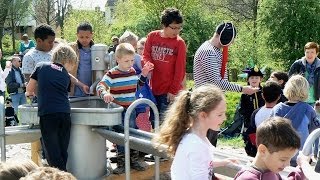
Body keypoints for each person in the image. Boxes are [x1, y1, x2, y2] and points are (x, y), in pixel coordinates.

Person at [193, 22, 259, 146]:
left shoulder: (216, 51)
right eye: (231, 40)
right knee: (205, 144)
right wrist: (242, 89)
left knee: (211, 143)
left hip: (212, 102)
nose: (232, 43)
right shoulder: (208, 52)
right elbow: (217, 82)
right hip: (205, 103)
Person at [153, 84, 238, 179]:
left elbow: (203, 163)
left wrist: (223, 162)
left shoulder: (194, 136)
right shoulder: (197, 145)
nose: (224, 118)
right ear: (203, 115)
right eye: (220, 115)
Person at [25, 45, 89, 171]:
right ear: (68, 62)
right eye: (72, 66)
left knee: (52, 150)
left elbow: (30, 88)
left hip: (48, 114)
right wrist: (81, 85)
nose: (71, 69)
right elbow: (68, 81)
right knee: (62, 149)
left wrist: (29, 94)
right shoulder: (65, 74)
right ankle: (62, 173)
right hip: (65, 114)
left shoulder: (41, 66)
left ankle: (59, 175)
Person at [96, 43, 154, 174]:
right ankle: (122, 162)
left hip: (131, 109)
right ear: (118, 59)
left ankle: (133, 160)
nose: (130, 63)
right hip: (120, 110)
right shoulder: (112, 74)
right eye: (126, 61)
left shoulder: (133, 71)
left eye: (132, 60)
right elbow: (100, 86)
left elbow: (137, 86)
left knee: (132, 133)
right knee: (122, 135)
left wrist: (144, 75)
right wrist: (105, 94)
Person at [142, 7, 187, 127]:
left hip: (168, 92)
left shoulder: (179, 43)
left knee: (165, 125)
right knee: (153, 122)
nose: (176, 31)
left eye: (179, 28)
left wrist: (173, 90)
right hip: (153, 89)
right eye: (173, 28)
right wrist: (148, 64)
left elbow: (180, 70)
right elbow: (146, 55)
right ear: (164, 25)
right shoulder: (152, 36)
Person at [270, 74, 320, 166]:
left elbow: (270, 131)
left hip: (280, 156)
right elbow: (315, 133)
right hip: (301, 157)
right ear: (306, 90)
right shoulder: (308, 110)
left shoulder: (277, 109)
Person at [234, 117, 301, 180]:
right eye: (283, 160)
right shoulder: (248, 178)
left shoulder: (271, 170)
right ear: (263, 151)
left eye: (289, 159)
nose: (288, 164)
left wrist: (300, 172)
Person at [243, 81, 282, 157]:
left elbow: (252, 133)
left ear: (262, 96)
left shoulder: (256, 113)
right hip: (277, 151)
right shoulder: (281, 113)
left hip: (260, 150)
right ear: (279, 96)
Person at [69, 22, 94, 97]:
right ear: (77, 35)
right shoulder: (71, 48)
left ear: (92, 35)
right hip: (75, 89)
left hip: (92, 89)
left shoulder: (97, 49)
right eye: (81, 37)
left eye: (87, 37)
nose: (84, 40)